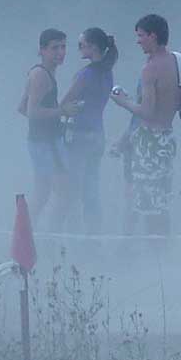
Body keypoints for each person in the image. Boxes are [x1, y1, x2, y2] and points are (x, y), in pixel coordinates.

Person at [110, 14, 181, 236]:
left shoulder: (150, 69)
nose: (138, 41)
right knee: (161, 201)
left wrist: (123, 101)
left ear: (153, 36)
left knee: (149, 204)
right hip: (166, 138)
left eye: (141, 35)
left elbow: (147, 112)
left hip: (150, 142)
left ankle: (156, 250)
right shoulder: (175, 61)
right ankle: (163, 249)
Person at [58, 28, 117, 234]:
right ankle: (94, 234)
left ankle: (73, 235)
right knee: (91, 187)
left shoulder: (86, 74)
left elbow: (64, 102)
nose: (79, 49)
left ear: (92, 47)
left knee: (73, 188)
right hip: (98, 135)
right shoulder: (108, 72)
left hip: (80, 135)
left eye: (81, 45)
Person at [19, 28, 68, 229]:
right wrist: (61, 111)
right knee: (63, 193)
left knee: (44, 192)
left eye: (63, 47)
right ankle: (47, 235)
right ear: (42, 50)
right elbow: (32, 112)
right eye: (55, 48)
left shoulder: (38, 72)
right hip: (46, 143)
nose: (60, 52)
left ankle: (28, 233)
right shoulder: (41, 75)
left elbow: (22, 107)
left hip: (42, 140)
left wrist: (56, 120)